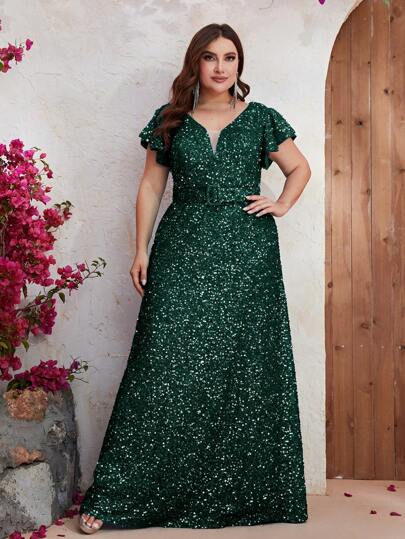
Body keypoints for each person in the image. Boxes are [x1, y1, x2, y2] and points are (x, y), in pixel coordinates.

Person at [79, 22, 311, 533]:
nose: (221, 67)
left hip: (247, 253)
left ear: (239, 65)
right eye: (211, 57)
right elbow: (149, 187)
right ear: (195, 63)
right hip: (182, 246)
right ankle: (122, 494)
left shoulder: (262, 118)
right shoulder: (170, 120)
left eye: (230, 58)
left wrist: (280, 204)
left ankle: (237, 492)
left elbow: (300, 169)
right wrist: (139, 249)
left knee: (244, 366)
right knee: (162, 363)